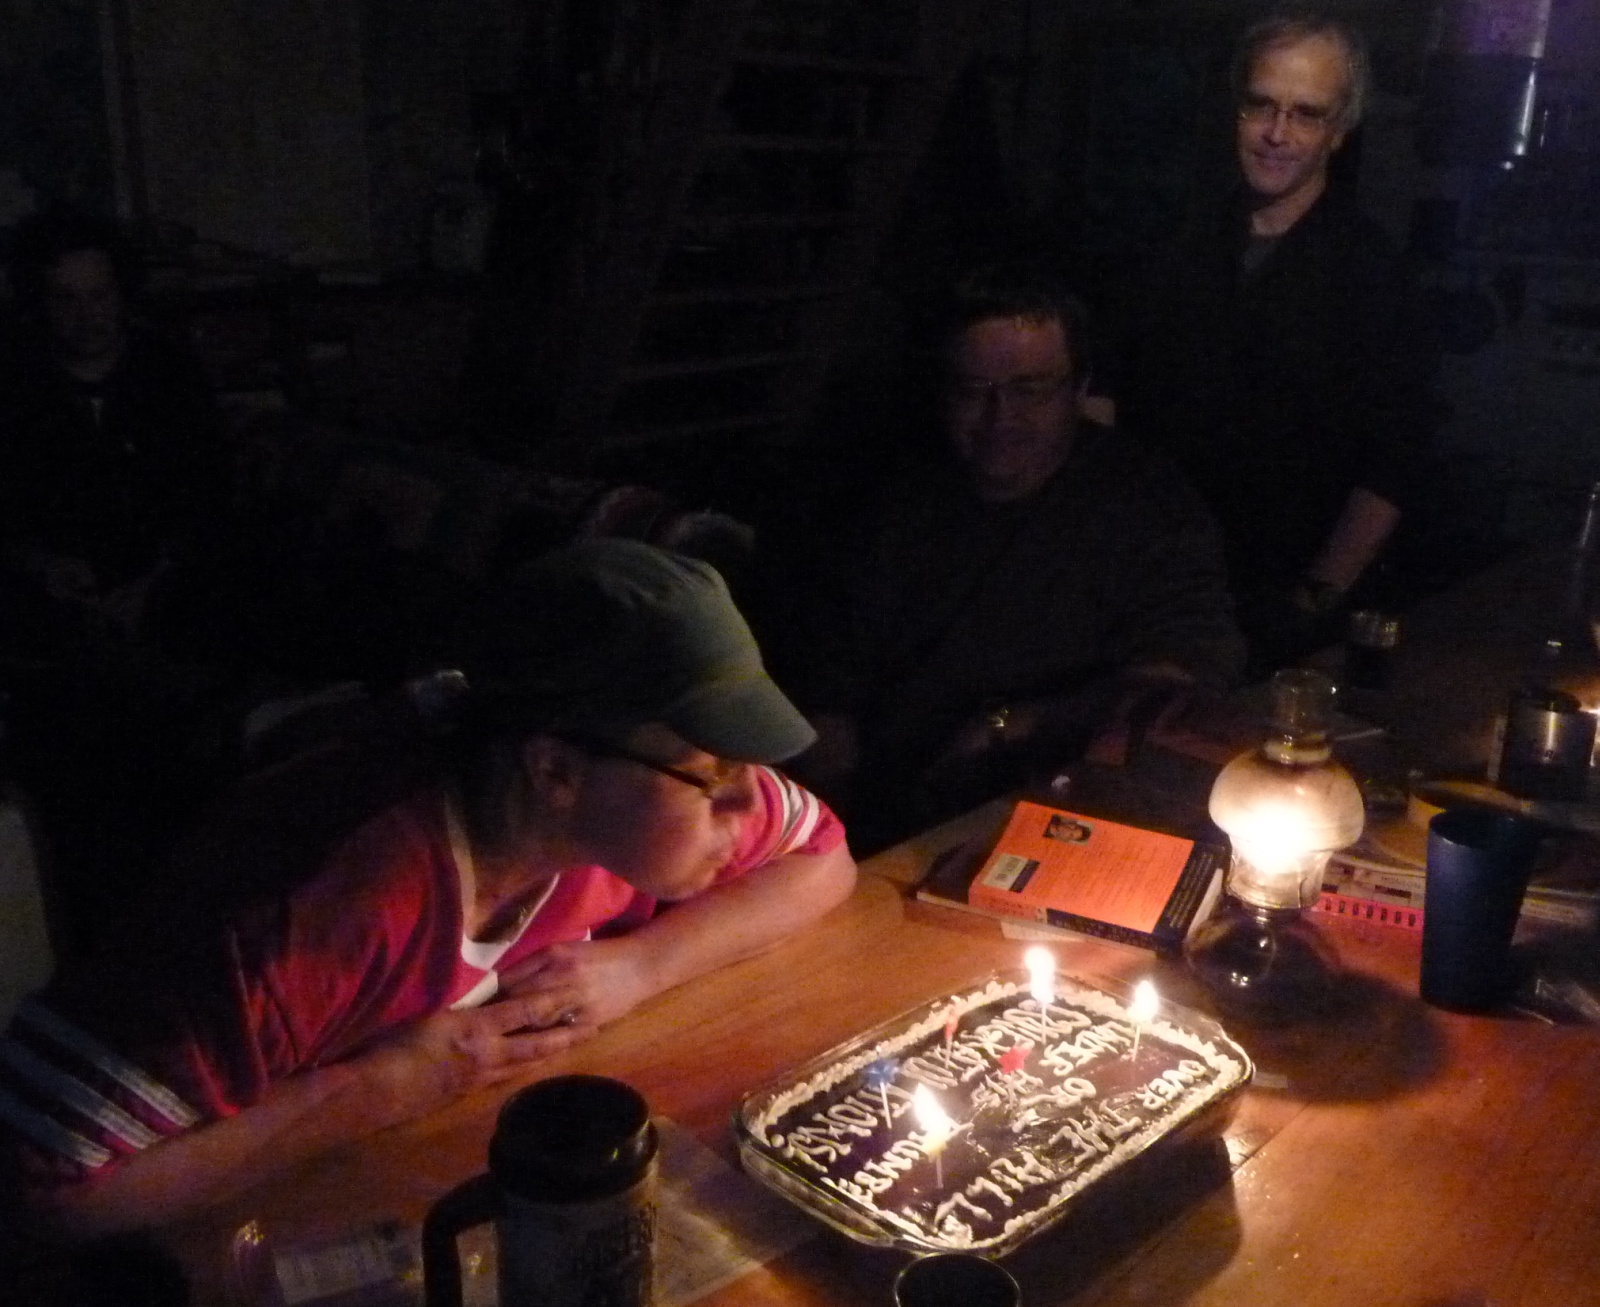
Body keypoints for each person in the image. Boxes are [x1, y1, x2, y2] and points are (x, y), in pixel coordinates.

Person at [0, 538, 857, 1241]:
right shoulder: (317, 910)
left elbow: (825, 859)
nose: (752, 803)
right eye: (713, 778)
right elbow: (44, 1193)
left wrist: (639, 967)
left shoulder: (601, 801)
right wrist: (382, 1087)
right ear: (554, 768)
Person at [767, 265, 1245, 852]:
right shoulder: (883, 500)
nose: (1000, 419)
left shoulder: (1144, 504)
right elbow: (824, 696)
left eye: (1029, 390)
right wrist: (842, 833)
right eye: (973, 392)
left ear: (1079, 388)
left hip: (1067, 808)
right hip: (892, 817)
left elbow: (1183, 672)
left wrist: (1014, 726)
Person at [1108, 10, 1437, 665]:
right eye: (1261, 105)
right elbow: (1107, 401)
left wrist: (1313, 599)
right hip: (1142, 596)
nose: (1276, 133)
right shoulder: (1170, 247)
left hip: (1279, 616)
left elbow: (1394, 460)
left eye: (1306, 113)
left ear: (1338, 132)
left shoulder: (1374, 275)